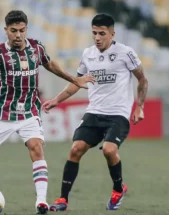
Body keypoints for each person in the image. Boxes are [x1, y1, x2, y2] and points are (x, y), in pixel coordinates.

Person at [0, 10, 94, 214]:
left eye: (22, 30)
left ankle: (41, 202)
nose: (18, 35)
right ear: (6, 30)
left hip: (29, 112)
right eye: (14, 30)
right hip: (2, 114)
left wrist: (74, 79)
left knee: (36, 147)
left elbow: (50, 64)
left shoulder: (36, 48)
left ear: (26, 29)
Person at [44, 14, 148, 211]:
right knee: (75, 150)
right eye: (94, 33)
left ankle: (118, 188)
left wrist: (140, 106)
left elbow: (142, 79)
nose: (97, 37)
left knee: (109, 150)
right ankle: (63, 200)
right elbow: (78, 83)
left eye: (102, 33)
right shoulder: (88, 54)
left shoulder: (125, 53)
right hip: (94, 112)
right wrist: (56, 100)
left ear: (112, 33)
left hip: (118, 114)